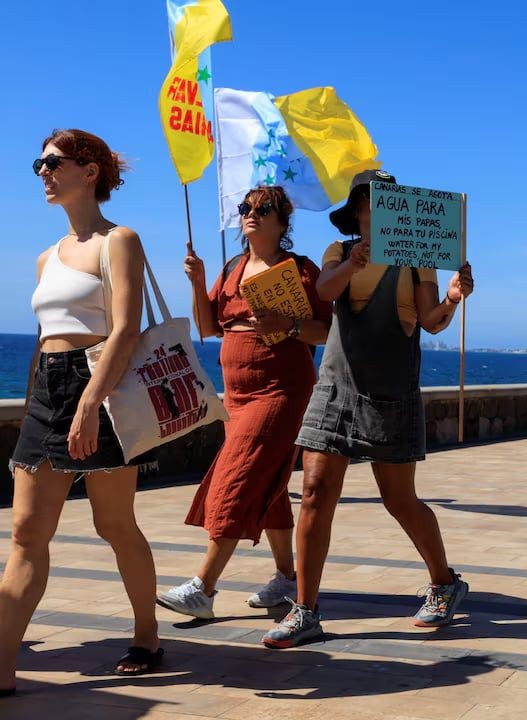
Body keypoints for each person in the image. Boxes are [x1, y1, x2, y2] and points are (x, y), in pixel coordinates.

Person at [260, 169, 474, 649]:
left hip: (391, 391)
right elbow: (325, 292)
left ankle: (444, 581)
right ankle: (306, 610)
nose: (378, 209)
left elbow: (433, 322)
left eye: (386, 201)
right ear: (357, 211)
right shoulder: (338, 254)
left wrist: (454, 300)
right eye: (369, 202)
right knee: (314, 491)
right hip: (335, 388)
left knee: (399, 500)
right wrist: (355, 262)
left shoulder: (418, 259)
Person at [1, 130, 164, 691]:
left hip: (99, 387)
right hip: (48, 388)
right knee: (26, 531)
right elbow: (47, 338)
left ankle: (147, 631)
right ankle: (3, 667)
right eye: (38, 164)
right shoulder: (47, 255)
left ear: (89, 170)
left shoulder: (118, 240)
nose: (42, 172)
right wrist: (31, 408)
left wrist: (90, 402)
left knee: (113, 523)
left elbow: (124, 329)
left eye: (53, 162)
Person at [155, 186, 332, 619]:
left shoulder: (301, 270)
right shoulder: (234, 266)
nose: (251, 214)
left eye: (263, 208)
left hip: (280, 390)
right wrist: (198, 283)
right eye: (245, 208)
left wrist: (287, 324)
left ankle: (204, 587)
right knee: (269, 484)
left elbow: (325, 331)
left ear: (283, 222)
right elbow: (207, 326)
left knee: (236, 478)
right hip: (236, 392)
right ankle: (287, 578)